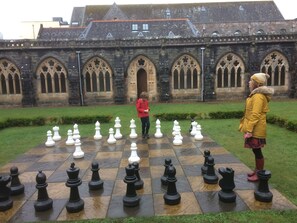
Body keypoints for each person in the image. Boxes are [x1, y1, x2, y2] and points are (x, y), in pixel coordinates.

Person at [239, 73, 274, 182]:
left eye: (251, 81)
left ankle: (259, 173)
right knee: (255, 150)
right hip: (255, 128)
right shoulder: (255, 95)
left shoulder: (258, 96)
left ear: (256, 84)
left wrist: (249, 130)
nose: (249, 82)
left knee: (257, 150)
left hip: (256, 129)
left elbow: (255, 114)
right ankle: (257, 170)